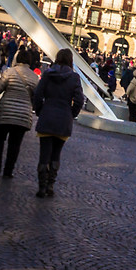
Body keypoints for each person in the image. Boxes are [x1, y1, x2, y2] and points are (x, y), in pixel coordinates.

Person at [31, 49, 85, 198]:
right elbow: (80, 100)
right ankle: (50, 185)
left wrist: (40, 110)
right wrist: (71, 113)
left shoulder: (48, 74)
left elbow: (38, 94)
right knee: (56, 154)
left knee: (44, 153)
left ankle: (41, 186)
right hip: (63, 119)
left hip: (47, 115)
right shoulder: (74, 77)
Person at [0, 48, 41, 179]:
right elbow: (36, 98)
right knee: (15, 144)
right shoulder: (35, 78)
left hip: (5, 112)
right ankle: (8, 170)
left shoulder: (10, 72)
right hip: (23, 116)